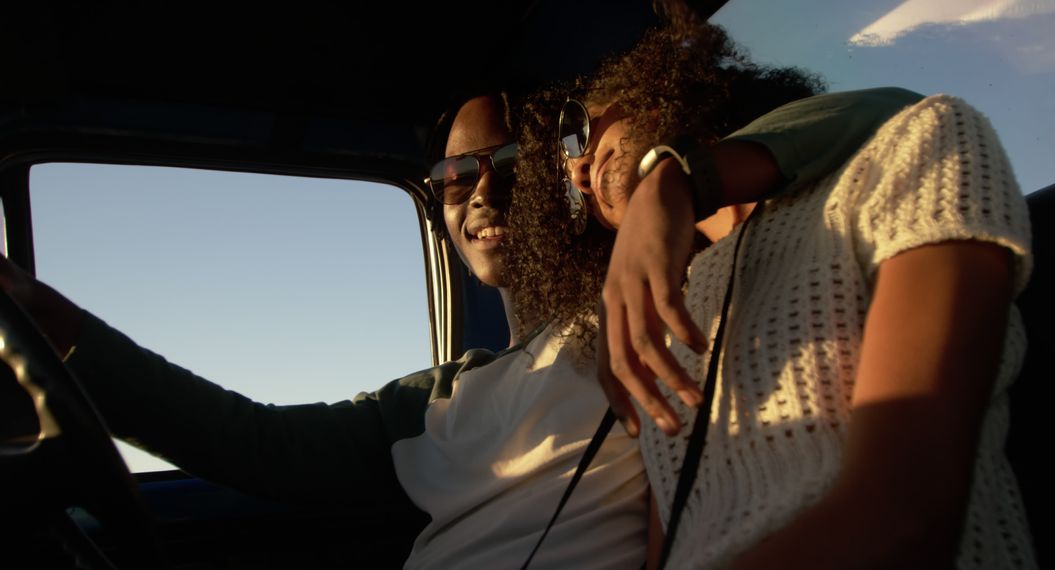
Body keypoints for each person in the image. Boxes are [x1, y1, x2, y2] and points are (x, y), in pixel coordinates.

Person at [2, 79, 919, 569]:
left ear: (569, 178)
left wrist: (678, 180)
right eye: (448, 178)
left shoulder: (688, 297)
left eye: (508, 163)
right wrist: (53, 320)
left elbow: (890, 119)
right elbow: (257, 444)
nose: (476, 194)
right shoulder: (445, 393)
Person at [511, 14, 1036, 570]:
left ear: (656, 90)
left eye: (580, 131)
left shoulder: (914, 149)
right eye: (567, 168)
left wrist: (678, 176)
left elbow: (900, 518)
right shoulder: (660, 324)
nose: (576, 169)